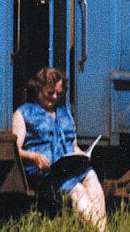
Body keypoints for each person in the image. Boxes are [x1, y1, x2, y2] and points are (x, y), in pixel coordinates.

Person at [12, 68, 106, 231]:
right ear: (38, 89)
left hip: (67, 168)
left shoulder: (65, 113)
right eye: (50, 93)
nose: (55, 97)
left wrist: (83, 155)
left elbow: (73, 145)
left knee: (91, 177)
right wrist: (34, 157)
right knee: (78, 191)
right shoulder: (24, 113)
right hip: (47, 172)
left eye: (59, 93)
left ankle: (102, 228)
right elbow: (15, 150)